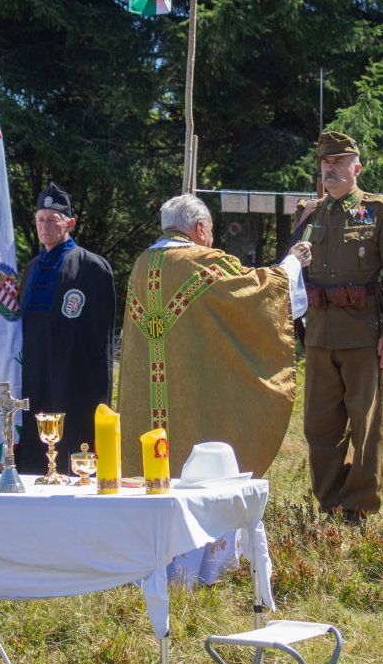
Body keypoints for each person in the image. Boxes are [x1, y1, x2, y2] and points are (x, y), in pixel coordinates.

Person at [117, 194, 308, 478]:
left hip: (150, 388)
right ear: (199, 228)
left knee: (154, 464)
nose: (211, 238)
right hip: (193, 389)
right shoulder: (201, 261)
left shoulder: (141, 264)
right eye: (210, 230)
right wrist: (293, 263)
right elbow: (258, 293)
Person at [297, 131, 383, 521]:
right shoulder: (309, 213)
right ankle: (330, 504)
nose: (330, 169)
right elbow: (295, 270)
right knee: (319, 426)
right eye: (325, 163)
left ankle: (359, 507)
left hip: (364, 335)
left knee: (366, 425)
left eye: (338, 162)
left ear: (356, 168)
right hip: (318, 335)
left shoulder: (380, 211)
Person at [17, 183, 116, 473]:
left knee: (70, 449)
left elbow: (101, 341)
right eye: (40, 219)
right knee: (32, 451)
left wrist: (99, 397)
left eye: (53, 220)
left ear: (70, 223)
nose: (45, 226)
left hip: (73, 382)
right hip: (33, 377)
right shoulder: (30, 270)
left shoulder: (92, 267)